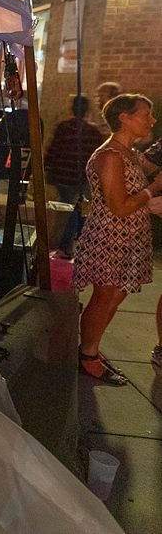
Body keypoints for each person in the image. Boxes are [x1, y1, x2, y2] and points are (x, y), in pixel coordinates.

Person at [75, 94, 162, 385]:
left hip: (128, 238)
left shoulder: (129, 153)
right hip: (109, 237)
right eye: (146, 115)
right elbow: (119, 207)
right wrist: (153, 189)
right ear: (124, 118)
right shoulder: (110, 156)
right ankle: (87, 355)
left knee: (115, 295)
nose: (152, 120)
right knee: (104, 296)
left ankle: (92, 348)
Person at [45, 95, 105, 257]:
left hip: (62, 176)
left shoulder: (63, 127)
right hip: (80, 178)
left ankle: (62, 244)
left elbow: (53, 149)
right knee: (73, 210)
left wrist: (48, 168)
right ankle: (65, 245)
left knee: (67, 210)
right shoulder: (93, 132)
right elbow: (96, 157)